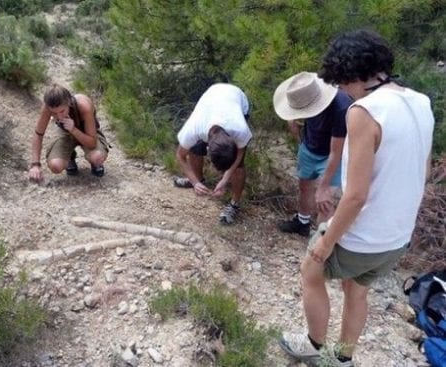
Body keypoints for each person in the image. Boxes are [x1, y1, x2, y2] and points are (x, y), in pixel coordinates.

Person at [278, 30, 435, 367]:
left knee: (311, 271)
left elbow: (356, 196)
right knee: (357, 290)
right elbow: (418, 174)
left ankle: (312, 345)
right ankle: (343, 358)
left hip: (364, 237)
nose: (340, 90)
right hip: (397, 238)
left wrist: (324, 244)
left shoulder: (363, 110)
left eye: (340, 82)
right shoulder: (421, 102)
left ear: (349, 74)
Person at [273, 71, 352, 236]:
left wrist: (323, 186)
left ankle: (320, 244)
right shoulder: (304, 94)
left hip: (331, 155)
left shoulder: (341, 107)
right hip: (309, 147)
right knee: (304, 187)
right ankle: (302, 223)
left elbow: (336, 151)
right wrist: (293, 120)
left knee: (325, 201)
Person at [174, 83, 252, 225]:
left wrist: (225, 178)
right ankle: (199, 180)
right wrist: (194, 181)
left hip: (236, 97)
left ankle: (234, 204)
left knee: (239, 166)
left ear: (232, 140)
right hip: (213, 94)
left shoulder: (240, 130)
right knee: (195, 149)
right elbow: (180, 155)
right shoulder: (194, 128)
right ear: (208, 148)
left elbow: (240, 151)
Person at [28, 84, 109, 182]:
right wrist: (35, 165)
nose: (59, 116)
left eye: (62, 111)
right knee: (55, 166)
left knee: (97, 157)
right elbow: (38, 134)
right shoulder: (47, 108)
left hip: (87, 132)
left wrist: (73, 129)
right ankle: (70, 157)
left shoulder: (84, 106)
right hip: (65, 132)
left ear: (69, 102)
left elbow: (92, 143)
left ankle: (94, 164)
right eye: (54, 113)